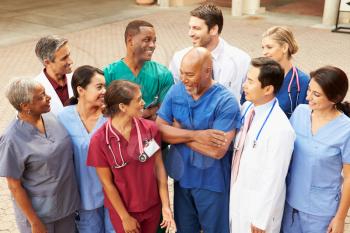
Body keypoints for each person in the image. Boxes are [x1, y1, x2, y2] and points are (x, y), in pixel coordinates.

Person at [156, 47, 241, 233]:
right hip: (182, 180)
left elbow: (217, 150)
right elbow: (159, 130)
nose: (184, 79)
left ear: (207, 71)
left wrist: (178, 133)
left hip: (212, 183)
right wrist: (196, 135)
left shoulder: (226, 101)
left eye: (190, 74)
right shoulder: (177, 91)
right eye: (181, 73)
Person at [86, 80, 176, 233]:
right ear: (122, 107)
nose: (143, 103)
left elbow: (159, 167)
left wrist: (166, 206)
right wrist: (125, 217)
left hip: (152, 207)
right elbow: (107, 184)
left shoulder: (150, 129)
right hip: (125, 211)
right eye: (139, 99)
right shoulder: (100, 140)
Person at [0, 79, 80, 233]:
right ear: (25, 106)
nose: (49, 97)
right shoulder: (12, 139)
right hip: (41, 216)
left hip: (67, 207)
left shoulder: (50, 118)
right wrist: (34, 221)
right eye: (41, 96)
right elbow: (14, 187)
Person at [229, 57, 295, 233]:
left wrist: (261, 218)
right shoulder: (247, 108)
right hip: (238, 198)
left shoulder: (281, 129)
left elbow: (274, 178)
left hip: (257, 213)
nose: (244, 85)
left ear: (268, 89)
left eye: (250, 81)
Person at [281, 66, 350, 233]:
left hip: (321, 213)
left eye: (316, 94)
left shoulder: (346, 130)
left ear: (335, 98)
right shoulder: (299, 113)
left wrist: (340, 218)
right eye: (309, 90)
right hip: (290, 205)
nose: (308, 97)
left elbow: (349, 179)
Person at [57, 65, 115, 233]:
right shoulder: (63, 117)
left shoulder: (111, 118)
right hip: (83, 200)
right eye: (99, 87)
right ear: (80, 90)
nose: (104, 91)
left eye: (105, 86)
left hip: (114, 197)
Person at [169, 3, 250, 102]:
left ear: (213, 30)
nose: (190, 33)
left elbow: (248, 100)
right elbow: (173, 96)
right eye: (190, 27)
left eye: (196, 28)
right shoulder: (179, 58)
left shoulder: (241, 60)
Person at [103, 20, 174, 120]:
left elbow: (165, 115)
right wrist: (149, 111)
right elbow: (105, 113)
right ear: (130, 41)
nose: (153, 45)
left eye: (154, 41)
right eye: (147, 40)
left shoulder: (163, 75)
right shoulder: (108, 74)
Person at [260, 26, 309, 118]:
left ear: (284, 48)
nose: (264, 52)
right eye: (263, 48)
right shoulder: (260, 76)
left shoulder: (302, 82)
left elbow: (304, 118)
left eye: (269, 47)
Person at [34, 35, 74, 115]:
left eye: (69, 55)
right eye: (64, 58)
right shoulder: (32, 90)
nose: (70, 61)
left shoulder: (77, 78)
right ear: (47, 62)